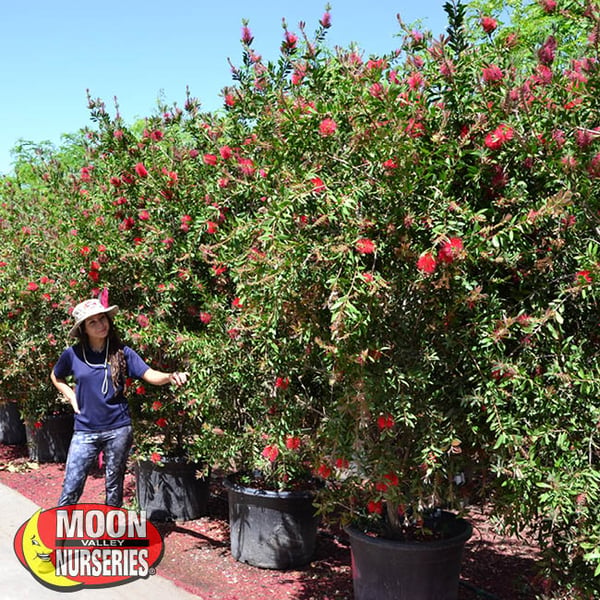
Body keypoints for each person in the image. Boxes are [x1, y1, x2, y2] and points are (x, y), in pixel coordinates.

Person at [50, 297, 188, 507]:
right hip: (85, 430)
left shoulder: (122, 353)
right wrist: (70, 396)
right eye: (92, 322)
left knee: (114, 487)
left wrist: (170, 376)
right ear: (83, 329)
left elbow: (149, 374)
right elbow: (56, 376)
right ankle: (58, 536)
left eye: (102, 318)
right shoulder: (73, 354)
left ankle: (110, 537)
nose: (100, 324)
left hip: (118, 428)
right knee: (72, 485)